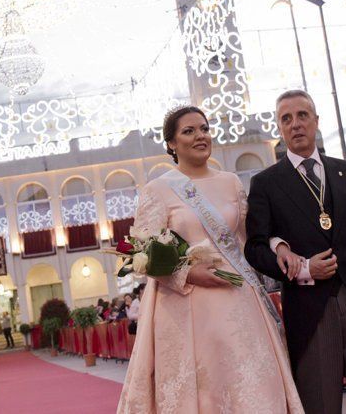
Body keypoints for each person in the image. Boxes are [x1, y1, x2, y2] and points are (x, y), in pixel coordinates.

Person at [118, 105, 304, 413]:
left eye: (203, 128)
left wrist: (280, 246)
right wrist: (188, 274)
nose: (199, 136)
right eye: (188, 131)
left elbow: (251, 238)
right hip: (184, 304)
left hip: (237, 297)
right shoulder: (158, 189)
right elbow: (142, 254)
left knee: (251, 383)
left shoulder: (231, 181)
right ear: (171, 144)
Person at [244, 90, 346, 414]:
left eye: (302, 115)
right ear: (279, 128)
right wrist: (301, 269)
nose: (296, 124)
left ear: (316, 121)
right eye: (286, 119)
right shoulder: (266, 184)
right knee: (320, 403)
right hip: (308, 308)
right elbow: (255, 248)